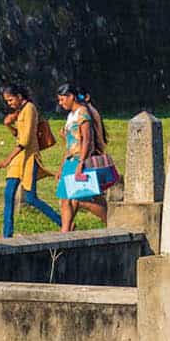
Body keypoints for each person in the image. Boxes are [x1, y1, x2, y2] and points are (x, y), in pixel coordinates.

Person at [0, 83, 61, 238]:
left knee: (31, 197)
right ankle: (7, 233)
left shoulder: (30, 109)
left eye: (11, 100)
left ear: (19, 97)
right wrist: (8, 126)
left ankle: (62, 222)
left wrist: (7, 159)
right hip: (19, 159)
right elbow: (19, 135)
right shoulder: (21, 111)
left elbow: (25, 140)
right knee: (9, 194)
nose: (9, 104)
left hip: (28, 158)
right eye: (7, 101)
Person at [54, 82, 115, 232]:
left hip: (79, 160)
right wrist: (62, 166)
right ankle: (65, 231)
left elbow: (87, 139)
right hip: (70, 159)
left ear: (71, 97)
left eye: (62, 99)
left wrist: (81, 163)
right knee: (65, 198)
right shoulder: (71, 116)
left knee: (84, 198)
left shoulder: (83, 113)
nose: (61, 103)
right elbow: (70, 143)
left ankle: (113, 222)